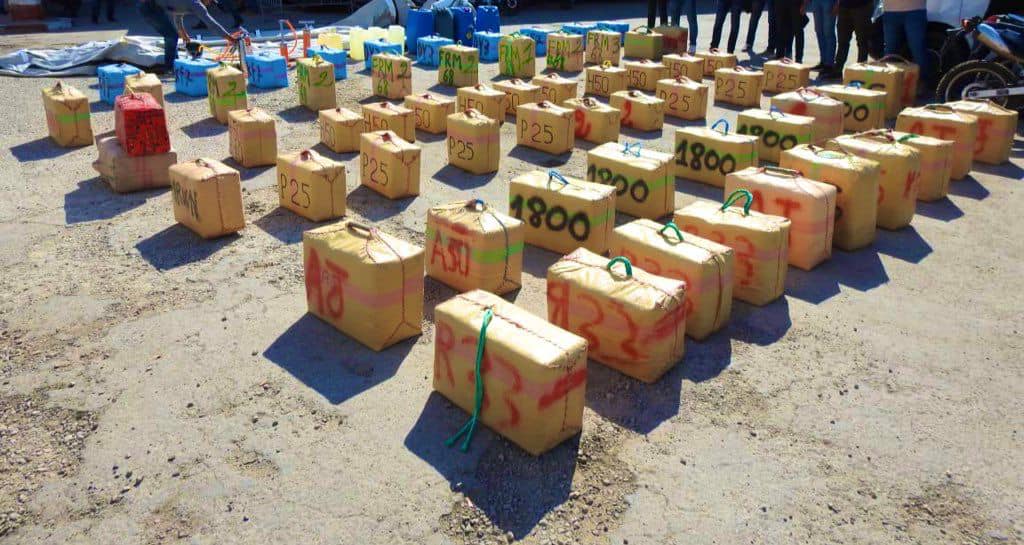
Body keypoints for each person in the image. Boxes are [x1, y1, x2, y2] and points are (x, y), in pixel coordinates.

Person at [138, 0, 235, 71]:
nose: (209, 3)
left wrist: (183, 33)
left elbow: (177, 14)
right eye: (209, 1)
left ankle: (174, 64)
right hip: (149, 7)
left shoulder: (191, 3)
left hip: (153, 7)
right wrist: (229, 38)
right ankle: (169, 68)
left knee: (172, 36)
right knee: (171, 36)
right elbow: (211, 24)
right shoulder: (196, 4)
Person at [881, 0, 929, 88]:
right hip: (890, 11)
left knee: (918, 51)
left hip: (915, 10)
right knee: (890, 53)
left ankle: (920, 86)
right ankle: (889, 85)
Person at [832, 0, 872, 77]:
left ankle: (860, 71)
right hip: (844, 7)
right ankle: (837, 70)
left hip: (862, 7)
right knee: (842, 41)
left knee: (862, 42)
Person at [809, 0, 836, 72]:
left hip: (829, 2)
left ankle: (829, 64)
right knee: (819, 31)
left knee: (828, 32)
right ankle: (823, 61)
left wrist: (837, 4)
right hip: (816, 2)